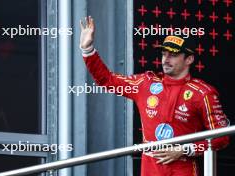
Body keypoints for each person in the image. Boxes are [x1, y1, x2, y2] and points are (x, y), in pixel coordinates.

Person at [79, 16, 230, 176]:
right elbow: (106, 79)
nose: (166, 59)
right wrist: (87, 50)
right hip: (150, 169)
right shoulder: (146, 83)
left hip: (182, 169)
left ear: (189, 59)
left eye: (173, 54)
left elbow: (221, 138)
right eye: (164, 54)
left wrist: (185, 149)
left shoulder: (203, 93)